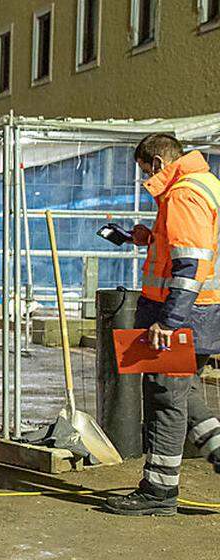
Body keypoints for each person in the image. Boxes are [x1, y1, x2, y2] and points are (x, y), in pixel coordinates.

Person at [106, 134, 220, 516]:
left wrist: (169, 322)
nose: (144, 179)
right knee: (180, 391)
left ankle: (158, 491)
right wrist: (149, 237)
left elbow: (190, 267)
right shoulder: (203, 184)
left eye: (143, 171)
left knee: (165, 399)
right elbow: (189, 249)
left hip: (182, 314)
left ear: (156, 163)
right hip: (201, 314)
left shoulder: (184, 195)